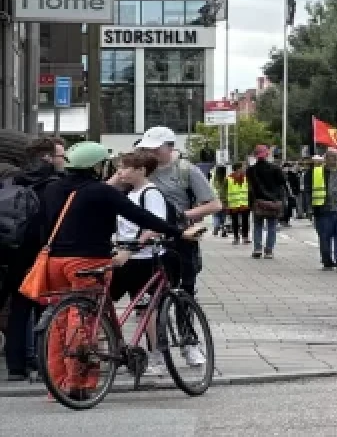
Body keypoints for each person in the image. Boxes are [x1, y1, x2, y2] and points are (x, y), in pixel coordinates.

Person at [40, 142, 202, 396]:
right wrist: (178, 232)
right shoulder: (100, 192)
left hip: (54, 262)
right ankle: (79, 384)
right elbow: (141, 216)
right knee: (83, 320)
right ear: (96, 166)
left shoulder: (52, 189)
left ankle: (56, 386)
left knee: (61, 321)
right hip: (88, 260)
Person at [135, 126, 222, 314]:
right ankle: (158, 338)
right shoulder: (141, 170)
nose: (150, 153)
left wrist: (182, 216)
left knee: (184, 290)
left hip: (180, 239)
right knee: (151, 293)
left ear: (170, 147)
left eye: (155, 149)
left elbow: (215, 205)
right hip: (148, 239)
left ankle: (186, 333)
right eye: (147, 149)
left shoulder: (186, 170)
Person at [107, 150, 179, 377]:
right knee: (107, 303)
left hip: (142, 258)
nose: (120, 172)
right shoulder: (129, 192)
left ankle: (156, 355)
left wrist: (136, 244)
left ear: (141, 170)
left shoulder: (151, 193)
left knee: (146, 310)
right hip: (122, 256)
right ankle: (116, 349)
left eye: (125, 168)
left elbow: (155, 224)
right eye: (119, 167)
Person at [3, 132, 61, 381]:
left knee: (19, 307)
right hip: (43, 252)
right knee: (45, 308)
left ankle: (16, 367)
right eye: (60, 156)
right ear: (47, 157)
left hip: (15, 251)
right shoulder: (54, 184)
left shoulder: (14, 180)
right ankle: (42, 362)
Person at [304, 150, 337, 270]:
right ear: (325, 159)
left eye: (336, 157)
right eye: (330, 157)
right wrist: (308, 208)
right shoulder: (315, 172)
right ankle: (327, 261)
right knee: (324, 237)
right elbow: (307, 191)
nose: (333, 160)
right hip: (323, 211)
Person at [247, 145, 288, 260]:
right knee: (271, 226)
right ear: (267, 154)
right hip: (273, 202)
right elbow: (282, 182)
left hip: (258, 201)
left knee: (258, 226)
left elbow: (251, 187)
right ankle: (269, 250)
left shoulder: (251, 170)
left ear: (255, 156)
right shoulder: (275, 168)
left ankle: (257, 249)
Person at [225, 163, 250, 245]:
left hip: (241, 203)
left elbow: (249, 189)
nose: (243, 169)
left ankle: (241, 238)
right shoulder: (229, 179)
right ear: (237, 168)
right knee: (238, 222)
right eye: (242, 168)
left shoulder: (245, 178)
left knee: (241, 221)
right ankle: (240, 238)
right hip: (237, 203)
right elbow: (225, 191)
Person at [209, 165, 229, 236]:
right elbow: (228, 190)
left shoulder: (213, 180)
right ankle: (223, 229)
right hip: (224, 200)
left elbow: (210, 190)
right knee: (223, 216)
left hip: (214, 200)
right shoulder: (226, 180)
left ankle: (216, 227)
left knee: (215, 215)